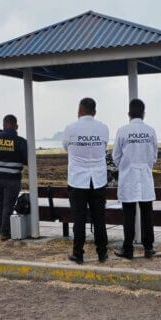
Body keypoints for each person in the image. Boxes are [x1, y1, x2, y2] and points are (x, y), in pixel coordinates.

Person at [62, 97, 110, 264]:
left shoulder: (70, 128)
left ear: (79, 110)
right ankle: (102, 253)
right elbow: (103, 147)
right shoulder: (103, 128)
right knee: (99, 219)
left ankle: (78, 253)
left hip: (77, 181)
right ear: (94, 112)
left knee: (79, 219)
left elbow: (65, 147)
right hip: (98, 180)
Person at [112, 99, 158, 259]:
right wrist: (144, 166)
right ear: (143, 113)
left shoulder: (122, 131)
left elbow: (116, 156)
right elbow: (154, 156)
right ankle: (148, 247)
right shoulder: (150, 131)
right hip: (145, 177)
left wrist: (125, 167)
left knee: (128, 216)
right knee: (147, 215)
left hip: (128, 178)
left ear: (129, 114)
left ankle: (128, 249)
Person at [0, 114, 28, 240]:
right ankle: (5, 232)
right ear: (16, 126)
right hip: (13, 178)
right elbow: (26, 160)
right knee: (8, 204)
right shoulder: (21, 141)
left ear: (3, 125)